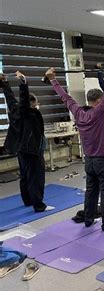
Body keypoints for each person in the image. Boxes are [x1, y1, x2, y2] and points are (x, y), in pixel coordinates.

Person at [46, 68, 104, 231]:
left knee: (91, 192)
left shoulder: (78, 112)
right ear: (98, 101)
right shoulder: (98, 112)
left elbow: (65, 97)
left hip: (89, 161)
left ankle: (88, 220)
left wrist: (53, 80)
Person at [1, 72, 53, 212]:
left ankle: (28, 200)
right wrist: (23, 83)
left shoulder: (14, 110)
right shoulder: (27, 112)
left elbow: (10, 98)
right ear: (31, 103)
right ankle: (39, 205)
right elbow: (23, 99)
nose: (38, 105)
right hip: (31, 149)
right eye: (36, 103)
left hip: (22, 149)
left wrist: (5, 83)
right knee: (35, 177)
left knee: (25, 176)